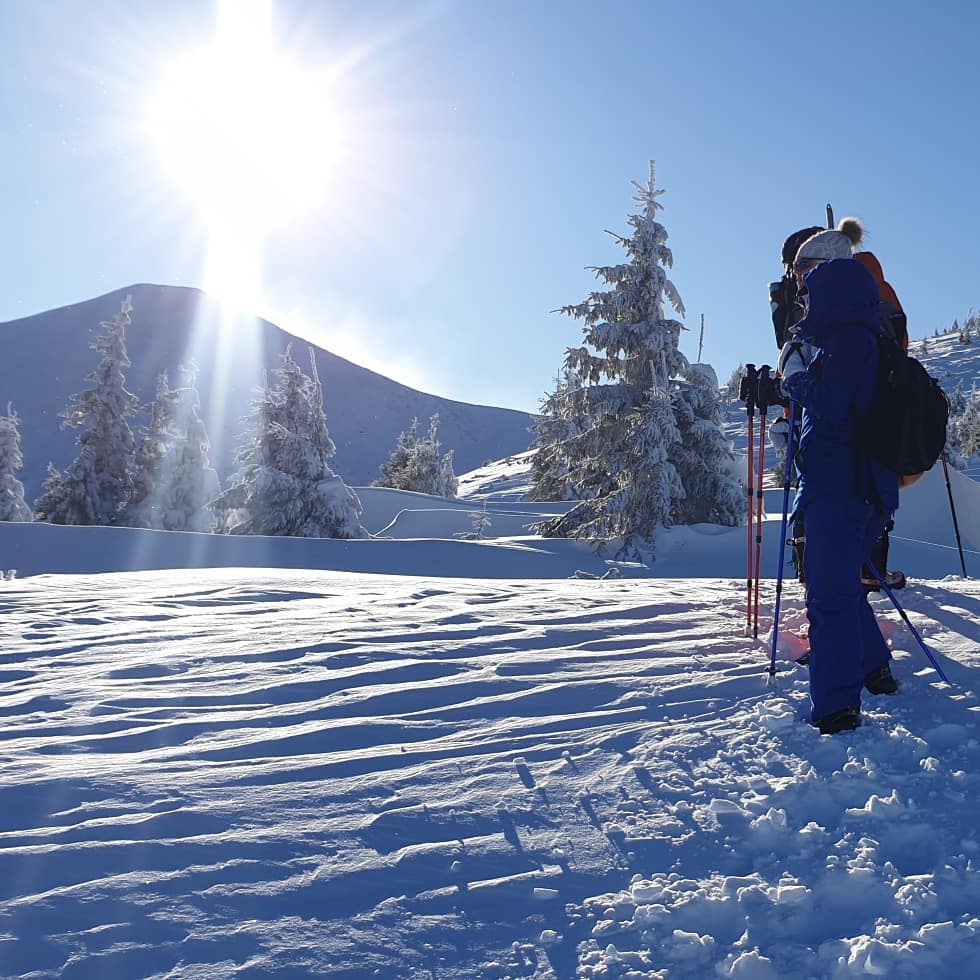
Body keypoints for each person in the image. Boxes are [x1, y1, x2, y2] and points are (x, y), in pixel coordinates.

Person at [778, 245, 900, 734]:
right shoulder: (857, 340)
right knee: (843, 586)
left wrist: (795, 381)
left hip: (842, 491)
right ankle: (875, 670)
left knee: (828, 597)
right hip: (849, 488)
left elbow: (830, 405)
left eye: (812, 297)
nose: (806, 307)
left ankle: (836, 707)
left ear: (834, 298)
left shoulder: (849, 342)